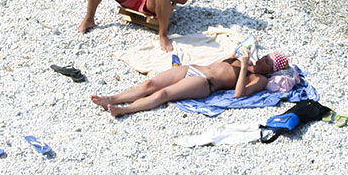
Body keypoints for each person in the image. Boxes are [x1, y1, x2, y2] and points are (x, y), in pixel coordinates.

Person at [91, 50, 288, 117]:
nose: (263, 60)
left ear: (271, 70)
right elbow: (217, 65)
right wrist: (232, 56)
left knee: (163, 95)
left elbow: (238, 94)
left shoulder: (259, 80)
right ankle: (111, 98)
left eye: (268, 62)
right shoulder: (248, 60)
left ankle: (123, 110)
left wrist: (243, 67)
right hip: (194, 68)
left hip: (204, 83)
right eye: (265, 57)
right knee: (150, 84)